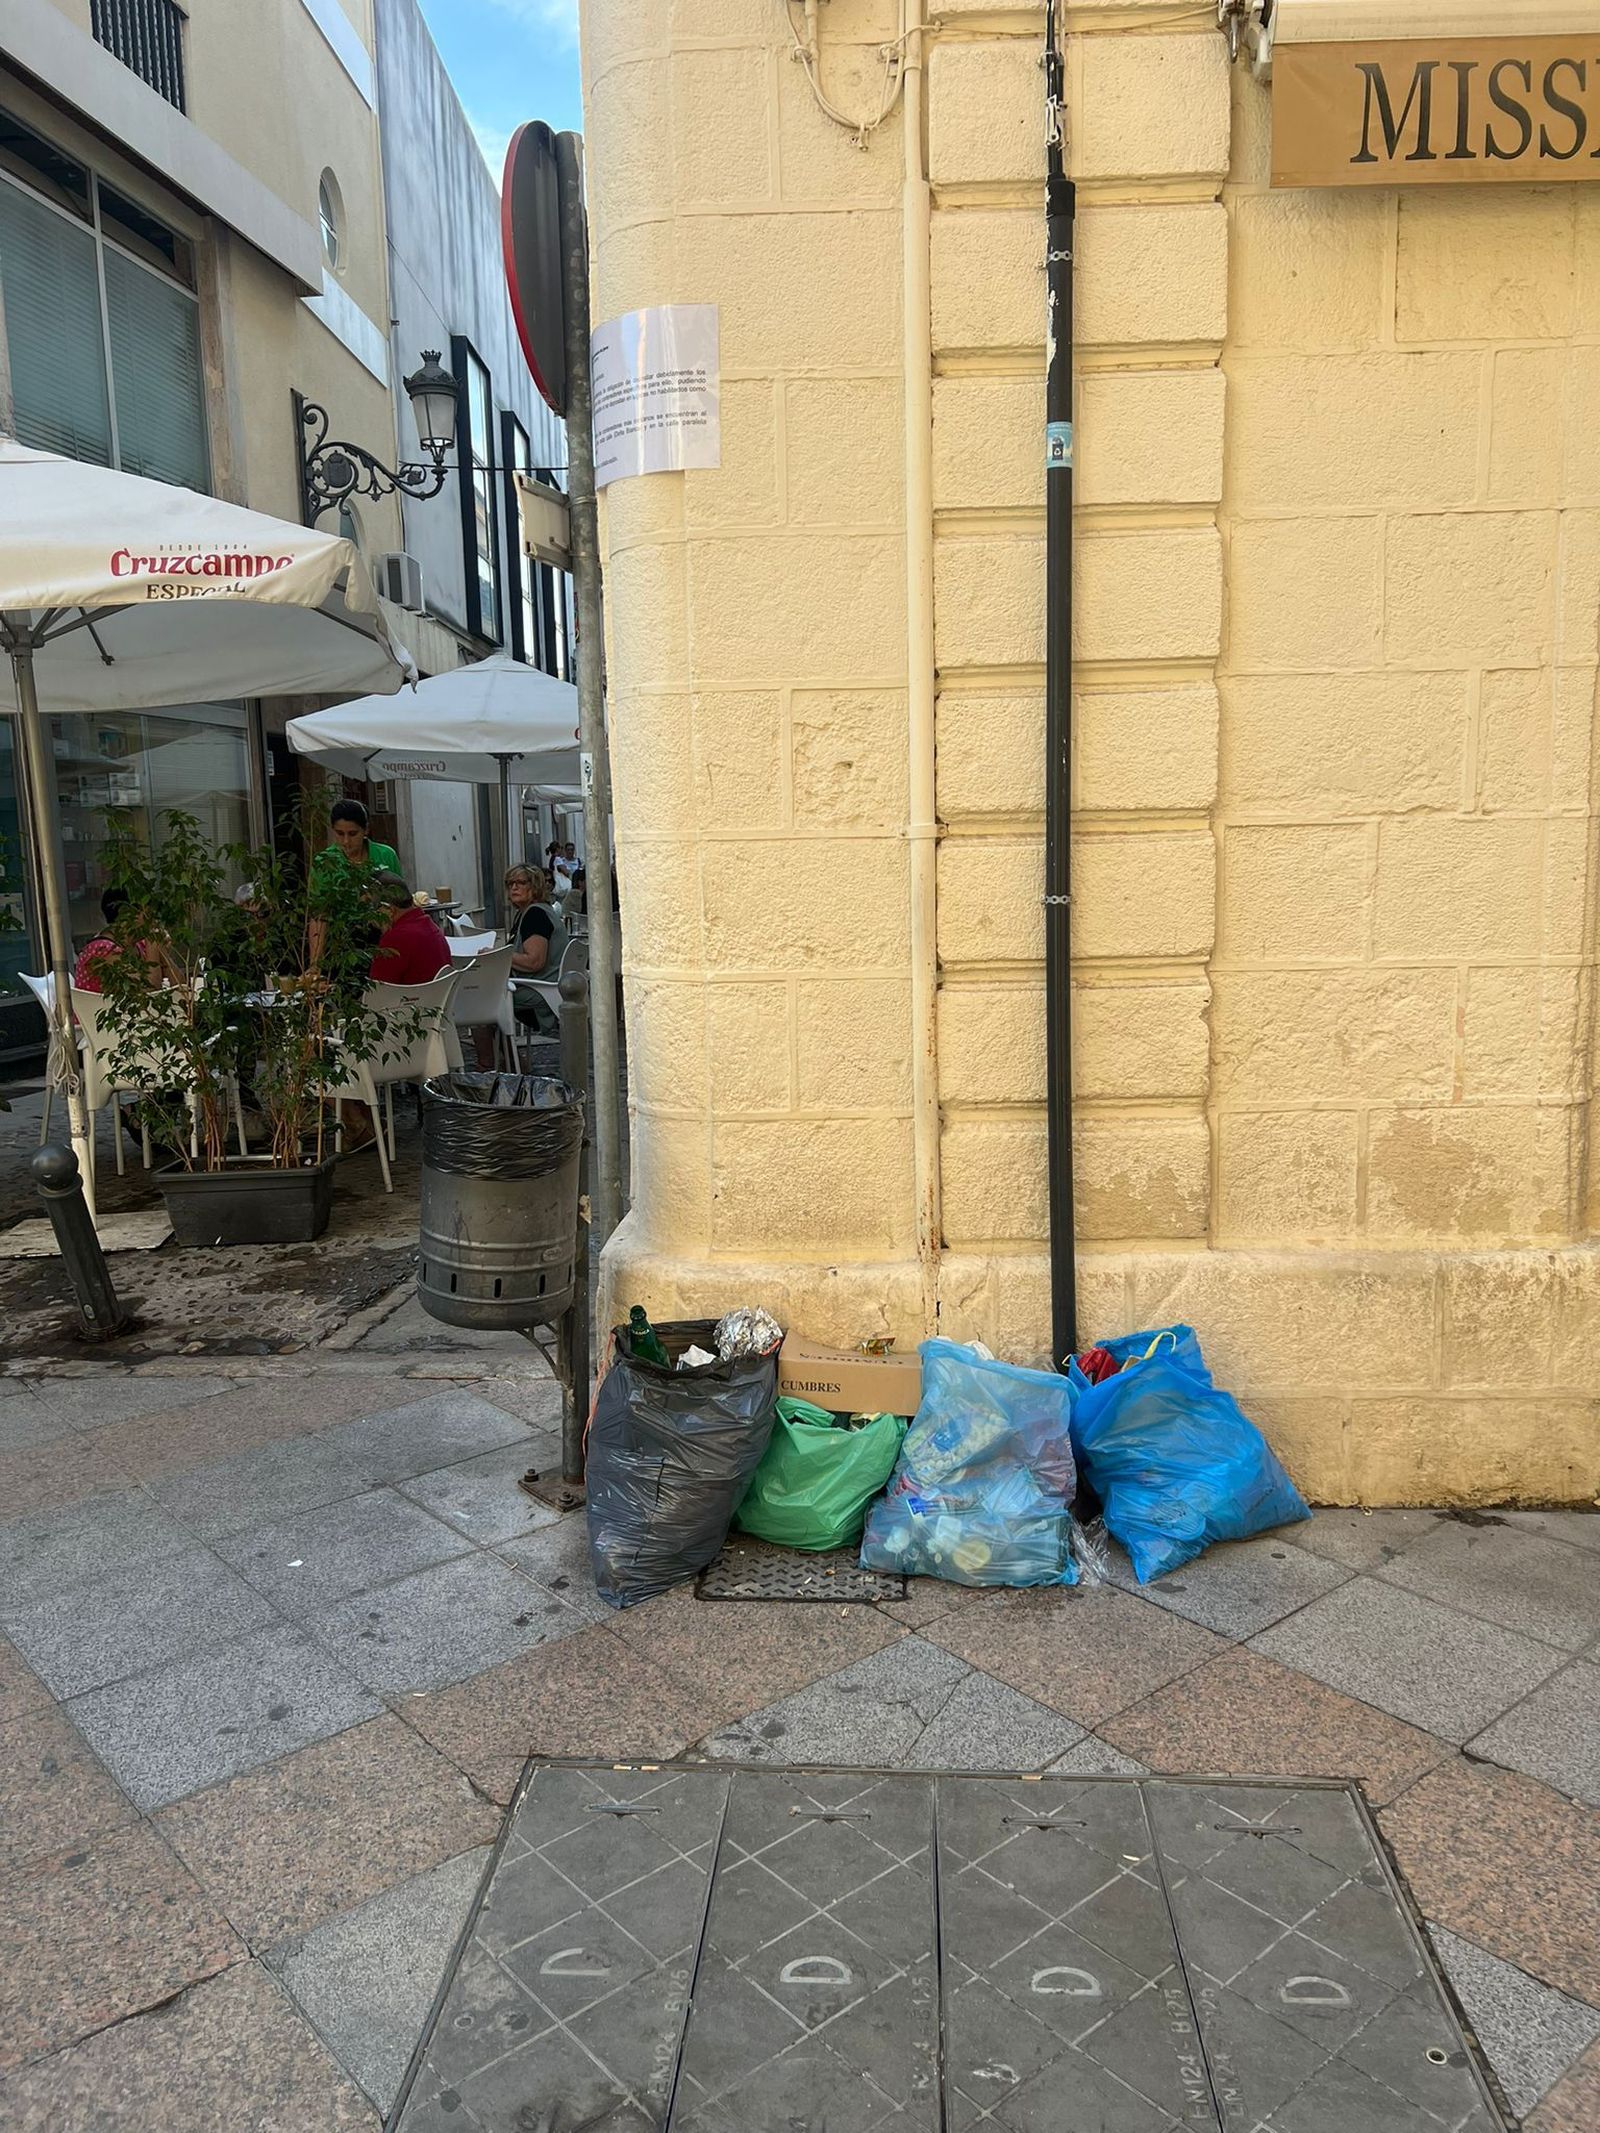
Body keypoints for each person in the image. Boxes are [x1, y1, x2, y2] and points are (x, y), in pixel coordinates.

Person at [506, 862, 568, 1035]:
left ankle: (494, 1060)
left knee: (486, 999)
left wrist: (499, 956)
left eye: (521, 883)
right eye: (510, 884)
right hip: (549, 984)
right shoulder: (534, 911)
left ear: (535, 886)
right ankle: (508, 1058)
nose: (514, 888)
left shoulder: (535, 915)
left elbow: (535, 962)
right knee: (489, 996)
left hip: (542, 989)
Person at [369, 872, 453, 985]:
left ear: (389, 910)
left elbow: (377, 992)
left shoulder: (395, 939)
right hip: (435, 1000)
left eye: (369, 908)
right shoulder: (429, 926)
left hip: (403, 1001)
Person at [73, 887, 161, 992]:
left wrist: (163, 953)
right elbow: (151, 989)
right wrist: (153, 944)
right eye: (149, 914)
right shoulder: (103, 951)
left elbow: (181, 988)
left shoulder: (139, 945)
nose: (154, 921)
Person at [321, 798, 400, 877]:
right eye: (340, 833)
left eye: (353, 834)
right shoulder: (323, 861)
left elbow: (399, 888)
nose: (346, 841)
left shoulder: (386, 855)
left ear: (366, 829)